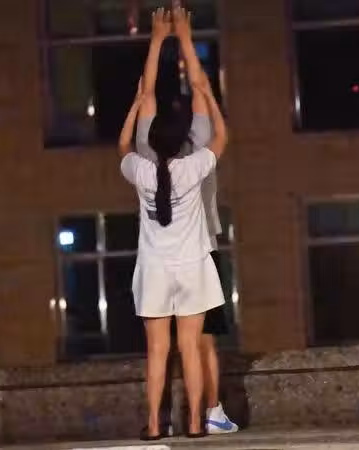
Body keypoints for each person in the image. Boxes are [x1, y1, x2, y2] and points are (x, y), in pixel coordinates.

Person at [118, 7, 229, 441]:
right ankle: (198, 422)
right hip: (194, 264)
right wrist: (185, 37)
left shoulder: (142, 165)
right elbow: (217, 129)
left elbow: (141, 108)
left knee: (156, 352)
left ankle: (153, 424)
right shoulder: (196, 161)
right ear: (185, 134)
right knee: (193, 348)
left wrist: (156, 39)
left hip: (154, 270)